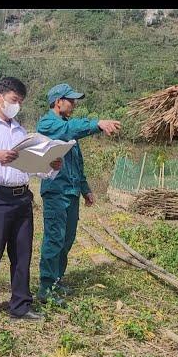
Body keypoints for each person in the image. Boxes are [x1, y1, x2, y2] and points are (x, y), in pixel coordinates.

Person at [0, 77, 62, 321]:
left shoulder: (21, 132)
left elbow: (35, 168)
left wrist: (51, 165)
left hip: (22, 199)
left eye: (20, 102)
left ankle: (20, 305)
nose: (17, 105)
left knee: (22, 253)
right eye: (14, 100)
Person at [36, 83, 121, 305]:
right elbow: (69, 130)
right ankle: (46, 287)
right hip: (55, 191)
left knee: (67, 239)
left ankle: (57, 279)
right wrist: (97, 124)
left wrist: (86, 190)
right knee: (54, 238)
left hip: (71, 191)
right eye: (70, 100)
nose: (74, 104)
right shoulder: (48, 123)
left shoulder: (67, 126)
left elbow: (76, 163)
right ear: (58, 102)